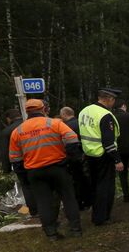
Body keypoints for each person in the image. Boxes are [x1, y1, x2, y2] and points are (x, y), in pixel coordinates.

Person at [8, 99, 83, 240]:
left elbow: (15, 158)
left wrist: (24, 178)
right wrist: (70, 159)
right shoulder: (54, 123)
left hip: (35, 172)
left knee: (43, 202)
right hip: (58, 167)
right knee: (68, 197)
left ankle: (51, 233)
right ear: (43, 109)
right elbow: (72, 139)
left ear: (27, 112)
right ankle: (75, 229)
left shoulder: (17, 131)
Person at [79, 88, 123, 225]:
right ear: (109, 99)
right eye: (113, 100)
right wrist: (117, 159)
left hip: (89, 154)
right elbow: (108, 141)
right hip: (103, 155)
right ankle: (102, 218)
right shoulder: (105, 115)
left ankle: (96, 215)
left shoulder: (84, 111)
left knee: (95, 186)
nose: (113, 103)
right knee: (105, 188)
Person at [0, 109, 38, 216]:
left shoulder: (6, 132)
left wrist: (6, 170)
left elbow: (5, 153)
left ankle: (34, 211)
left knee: (26, 186)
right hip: (37, 159)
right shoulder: (30, 125)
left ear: (8, 119)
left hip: (20, 162)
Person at [60, 106, 92, 210]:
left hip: (73, 157)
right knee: (86, 179)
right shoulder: (82, 123)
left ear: (64, 114)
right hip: (85, 154)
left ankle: (79, 203)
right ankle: (89, 201)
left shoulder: (65, 127)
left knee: (76, 181)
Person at [113, 98, 129, 202]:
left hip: (119, 150)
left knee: (122, 173)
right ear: (123, 106)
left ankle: (126, 195)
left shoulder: (112, 118)